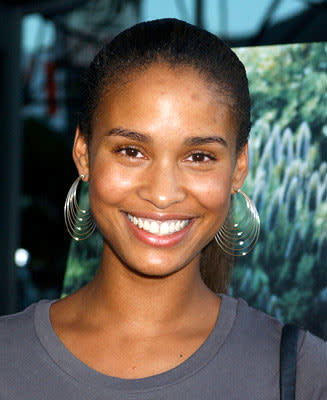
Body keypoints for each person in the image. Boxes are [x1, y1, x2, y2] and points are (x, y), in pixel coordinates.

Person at [0, 18, 326, 399]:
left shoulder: (304, 375)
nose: (162, 193)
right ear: (84, 154)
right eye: (132, 151)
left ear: (238, 168)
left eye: (199, 156)